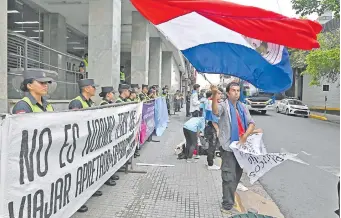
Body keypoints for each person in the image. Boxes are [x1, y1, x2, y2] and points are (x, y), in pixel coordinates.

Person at [211, 82, 256, 216]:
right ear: (228, 93)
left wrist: (245, 136)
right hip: (229, 148)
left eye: (238, 90)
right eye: (233, 90)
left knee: (237, 176)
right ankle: (227, 206)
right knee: (228, 176)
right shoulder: (224, 106)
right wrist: (214, 95)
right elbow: (215, 111)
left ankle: (229, 199)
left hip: (241, 148)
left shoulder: (243, 107)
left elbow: (251, 123)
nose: (236, 93)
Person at [204, 89, 223, 170]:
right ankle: (210, 164)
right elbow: (213, 119)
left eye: (220, 94)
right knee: (212, 146)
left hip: (210, 126)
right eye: (218, 94)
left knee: (212, 145)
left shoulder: (210, 102)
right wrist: (217, 130)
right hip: (212, 127)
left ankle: (210, 161)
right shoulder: (212, 103)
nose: (220, 95)